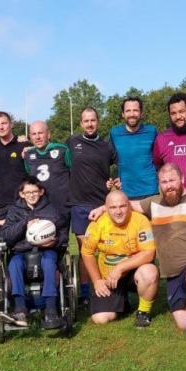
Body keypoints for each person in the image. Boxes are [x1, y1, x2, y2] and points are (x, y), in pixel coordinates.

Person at [90, 163, 186, 348]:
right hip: (174, 273)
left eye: (172, 180)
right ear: (159, 184)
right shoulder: (154, 203)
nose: (169, 185)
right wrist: (103, 208)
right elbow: (125, 204)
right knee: (181, 322)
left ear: (182, 179)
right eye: (164, 181)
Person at [81, 190, 158, 327]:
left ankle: (143, 313)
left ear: (129, 205)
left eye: (122, 206)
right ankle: (123, 303)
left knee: (150, 271)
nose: (118, 211)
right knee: (101, 319)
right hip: (108, 277)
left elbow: (149, 253)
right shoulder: (97, 223)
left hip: (133, 274)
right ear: (106, 208)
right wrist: (97, 280)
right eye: (113, 207)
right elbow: (87, 252)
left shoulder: (141, 220)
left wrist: (120, 267)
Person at [0, 177, 68, 329]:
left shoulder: (52, 210)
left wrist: (55, 241)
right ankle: (20, 310)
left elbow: (64, 233)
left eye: (35, 191)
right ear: (22, 194)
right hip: (22, 251)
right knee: (14, 264)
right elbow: (6, 235)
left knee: (49, 262)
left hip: (47, 250)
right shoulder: (14, 210)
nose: (32, 195)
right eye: (28, 192)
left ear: (41, 191)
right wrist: (24, 224)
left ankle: (50, 309)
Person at [66, 107, 118, 305]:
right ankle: (85, 293)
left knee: (106, 249)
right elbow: (49, 151)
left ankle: (108, 286)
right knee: (84, 249)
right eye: (86, 121)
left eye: (93, 120)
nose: (89, 124)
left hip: (101, 204)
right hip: (79, 204)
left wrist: (114, 180)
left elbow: (120, 167)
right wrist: (25, 144)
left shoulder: (107, 147)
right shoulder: (72, 142)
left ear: (98, 121)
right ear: (81, 124)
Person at [109, 96, 158, 199]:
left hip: (151, 192)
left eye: (135, 110)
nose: (132, 114)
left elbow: (159, 159)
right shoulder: (114, 133)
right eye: (128, 111)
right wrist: (114, 177)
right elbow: (110, 159)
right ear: (123, 114)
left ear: (141, 113)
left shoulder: (152, 131)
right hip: (126, 193)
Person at [0, 112, 30, 221]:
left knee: (21, 235)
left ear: (11, 124)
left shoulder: (23, 144)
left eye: (4, 123)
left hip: (22, 201)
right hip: (1, 202)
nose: (1, 127)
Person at [24, 121, 71, 221]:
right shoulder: (28, 154)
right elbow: (29, 177)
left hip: (61, 206)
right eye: (34, 134)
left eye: (40, 133)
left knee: (61, 236)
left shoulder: (62, 150)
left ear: (48, 134)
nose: (37, 137)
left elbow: (74, 173)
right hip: (39, 207)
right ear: (30, 137)